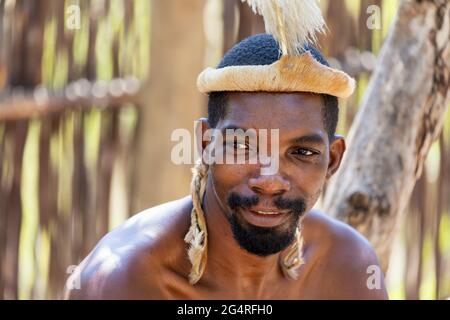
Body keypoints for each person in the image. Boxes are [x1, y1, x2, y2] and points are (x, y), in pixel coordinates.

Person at [64, 1, 388, 300]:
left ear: (332, 159)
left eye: (301, 152)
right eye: (242, 147)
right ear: (206, 145)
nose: (270, 180)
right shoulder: (130, 279)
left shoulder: (349, 273)